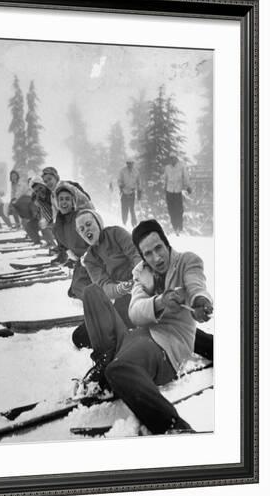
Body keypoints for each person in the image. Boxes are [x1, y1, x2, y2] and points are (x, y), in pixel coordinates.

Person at [80, 219, 213, 434]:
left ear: (166, 242)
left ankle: (172, 426)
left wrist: (199, 300)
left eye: (158, 248)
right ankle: (104, 360)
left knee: (119, 370)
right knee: (92, 292)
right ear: (142, 256)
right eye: (148, 253)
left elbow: (196, 284)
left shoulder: (187, 261)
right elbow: (135, 312)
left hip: (164, 346)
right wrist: (159, 301)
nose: (156, 258)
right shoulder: (141, 272)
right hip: (135, 337)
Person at [72, 209, 142, 348]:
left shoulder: (116, 234)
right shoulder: (90, 259)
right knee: (80, 336)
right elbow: (104, 286)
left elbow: (136, 254)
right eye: (82, 229)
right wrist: (119, 289)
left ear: (98, 223)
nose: (86, 230)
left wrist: (138, 278)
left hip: (143, 284)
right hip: (124, 296)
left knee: (151, 318)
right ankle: (122, 342)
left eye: (88, 224)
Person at [52, 183, 93, 300]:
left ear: (73, 202)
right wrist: (67, 252)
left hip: (93, 259)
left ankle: (101, 302)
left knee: (81, 288)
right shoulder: (57, 226)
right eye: (61, 199)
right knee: (74, 291)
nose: (64, 202)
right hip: (81, 261)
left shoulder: (80, 218)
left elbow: (95, 240)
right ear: (57, 202)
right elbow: (62, 245)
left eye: (67, 199)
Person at [164, 153, 192, 235]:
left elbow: (186, 177)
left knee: (179, 210)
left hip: (177, 191)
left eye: (173, 158)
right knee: (171, 210)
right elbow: (165, 179)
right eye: (171, 158)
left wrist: (188, 186)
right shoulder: (167, 168)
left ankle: (179, 227)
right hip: (169, 191)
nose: (172, 160)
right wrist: (164, 188)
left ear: (176, 159)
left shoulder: (181, 167)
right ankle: (175, 227)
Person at [29, 176, 57, 248]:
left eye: (40, 188)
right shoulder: (39, 200)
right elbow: (44, 212)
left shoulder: (53, 194)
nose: (39, 192)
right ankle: (55, 245)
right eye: (36, 191)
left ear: (44, 185)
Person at [118, 159, 141, 228]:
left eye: (131, 163)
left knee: (132, 208)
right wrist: (121, 186)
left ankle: (134, 223)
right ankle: (124, 222)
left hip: (132, 192)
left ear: (133, 164)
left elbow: (139, 182)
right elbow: (119, 180)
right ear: (127, 163)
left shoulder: (136, 172)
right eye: (128, 163)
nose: (130, 165)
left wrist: (139, 191)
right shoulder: (122, 171)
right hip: (124, 192)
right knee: (124, 209)